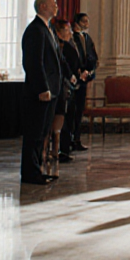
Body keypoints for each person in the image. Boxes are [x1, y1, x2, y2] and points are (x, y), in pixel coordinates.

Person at [21, 0, 63, 184]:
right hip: (41, 91)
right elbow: (33, 63)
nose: (56, 6)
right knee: (35, 133)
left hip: (51, 90)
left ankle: (36, 169)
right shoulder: (35, 30)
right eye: (53, 3)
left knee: (43, 133)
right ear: (43, 6)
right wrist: (42, 88)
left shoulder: (48, 29)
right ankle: (30, 173)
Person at [59, 12, 97, 158]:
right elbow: (72, 59)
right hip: (73, 79)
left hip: (84, 77)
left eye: (88, 21)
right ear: (77, 22)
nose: (87, 23)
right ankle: (68, 141)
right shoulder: (71, 39)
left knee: (79, 110)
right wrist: (78, 73)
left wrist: (88, 72)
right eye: (84, 21)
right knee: (71, 113)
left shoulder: (87, 38)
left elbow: (92, 56)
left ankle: (77, 138)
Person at [50, 18, 81, 166]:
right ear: (59, 32)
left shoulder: (68, 45)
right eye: (67, 30)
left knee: (69, 119)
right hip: (63, 87)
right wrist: (73, 76)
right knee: (63, 120)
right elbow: (64, 66)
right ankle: (61, 149)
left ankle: (65, 148)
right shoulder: (60, 47)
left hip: (70, 86)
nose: (70, 33)